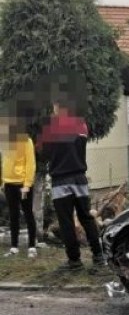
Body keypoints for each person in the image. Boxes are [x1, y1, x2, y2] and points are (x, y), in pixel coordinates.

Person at [38, 98, 104, 271]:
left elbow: (43, 152)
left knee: (66, 222)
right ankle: (98, 256)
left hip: (61, 181)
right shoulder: (82, 125)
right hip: (80, 178)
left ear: (58, 107)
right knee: (87, 218)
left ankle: (74, 261)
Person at [1, 123, 37, 258]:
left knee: (28, 214)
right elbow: (3, 161)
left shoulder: (26, 141)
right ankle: (14, 247)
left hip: (22, 184)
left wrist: (27, 184)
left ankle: (32, 246)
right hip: (9, 183)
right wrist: (2, 182)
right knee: (13, 215)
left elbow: (31, 163)